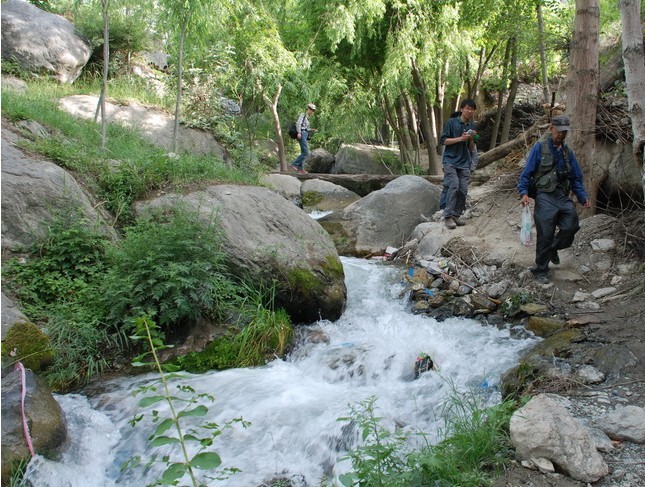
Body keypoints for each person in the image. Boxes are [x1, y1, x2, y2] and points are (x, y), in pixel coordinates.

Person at [517, 114, 591, 284]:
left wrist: (582, 196)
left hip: (561, 196)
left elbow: (576, 178)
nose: (561, 135)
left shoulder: (567, 152)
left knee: (572, 225)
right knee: (545, 232)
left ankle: (552, 249)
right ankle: (541, 269)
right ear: (551, 128)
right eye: (559, 131)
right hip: (544, 195)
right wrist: (524, 193)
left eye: (565, 132)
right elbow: (526, 174)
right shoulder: (539, 148)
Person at [439, 99, 477, 229]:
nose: (469, 111)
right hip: (450, 160)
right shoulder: (451, 122)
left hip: (464, 162)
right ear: (461, 109)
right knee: (454, 185)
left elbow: (472, 148)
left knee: (463, 189)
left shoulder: (472, 126)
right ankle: (448, 216)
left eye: (472, 109)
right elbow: (443, 141)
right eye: (467, 108)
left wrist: (470, 138)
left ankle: (456, 215)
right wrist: (460, 138)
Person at [290, 103, 317, 174]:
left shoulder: (307, 118)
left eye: (313, 110)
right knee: (306, 152)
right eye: (311, 109)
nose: (312, 111)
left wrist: (311, 129)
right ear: (308, 109)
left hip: (305, 134)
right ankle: (294, 164)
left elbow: (305, 128)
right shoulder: (303, 115)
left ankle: (301, 169)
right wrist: (299, 132)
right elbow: (298, 124)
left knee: (303, 152)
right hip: (301, 134)